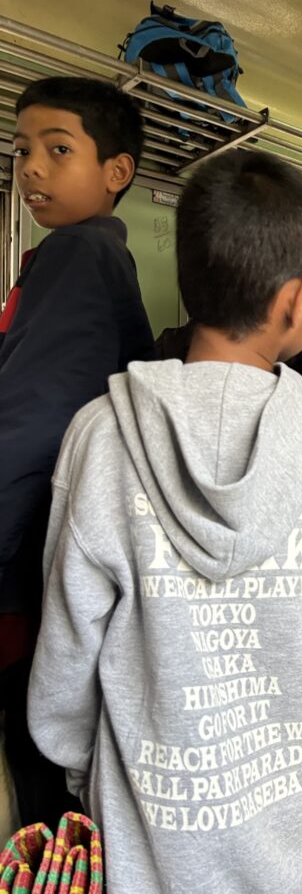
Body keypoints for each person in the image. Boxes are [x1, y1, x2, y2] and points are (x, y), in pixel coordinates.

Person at [27, 150, 302, 894]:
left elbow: (69, 645)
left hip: (145, 830)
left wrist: (81, 767)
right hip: (290, 821)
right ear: (297, 302)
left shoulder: (101, 436)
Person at [0, 76, 154, 827]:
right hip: (56, 552)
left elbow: (33, 422)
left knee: (33, 764)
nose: (30, 167)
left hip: (25, 553)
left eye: (59, 150)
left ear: (115, 173)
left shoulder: (76, 256)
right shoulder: (92, 258)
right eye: (24, 149)